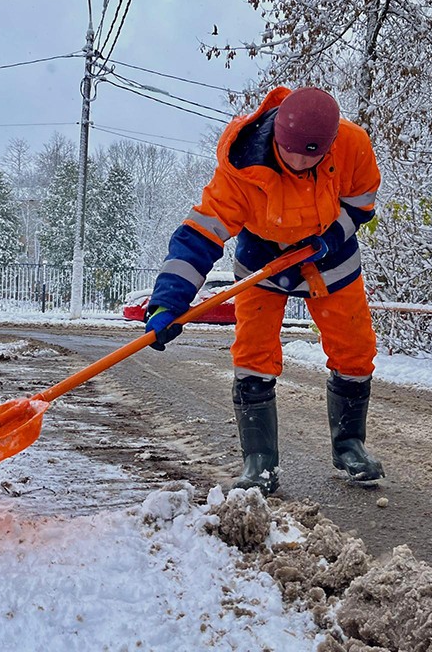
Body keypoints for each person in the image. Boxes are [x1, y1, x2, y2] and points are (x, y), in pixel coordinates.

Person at [144, 86, 383, 495]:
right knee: (253, 353)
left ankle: (349, 446)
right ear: (276, 137)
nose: (301, 162)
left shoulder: (352, 144)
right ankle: (260, 463)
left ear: (330, 146)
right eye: (293, 153)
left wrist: (332, 236)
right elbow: (200, 234)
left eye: (313, 156)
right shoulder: (242, 167)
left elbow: (361, 203)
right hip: (262, 263)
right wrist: (168, 301)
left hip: (331, 259)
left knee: (356, 351)